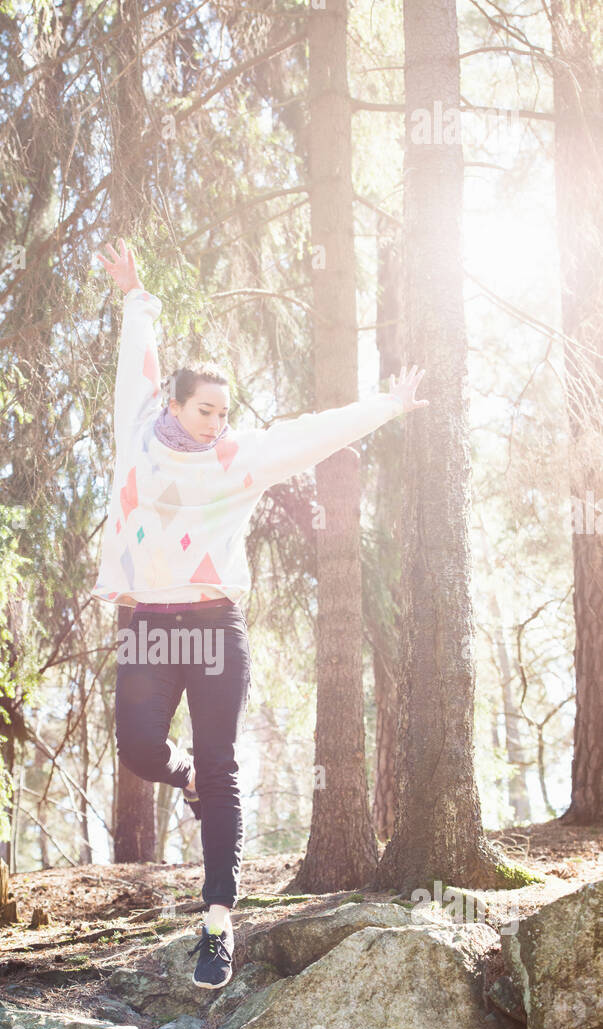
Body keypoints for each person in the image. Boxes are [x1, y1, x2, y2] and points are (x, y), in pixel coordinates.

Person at [93, 237, 427, 989]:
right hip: (146, 622)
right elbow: (135, 366)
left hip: (213, 626)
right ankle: (183, 779)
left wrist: (388, 405)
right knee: (143, 752)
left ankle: (217, 921)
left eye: (222, 412)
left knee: (222, 765)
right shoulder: (137, 433)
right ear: (173, 405)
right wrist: (135, 299)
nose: (215, 421)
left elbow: (313, 432)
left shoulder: (240, 457)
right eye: (203, 409)